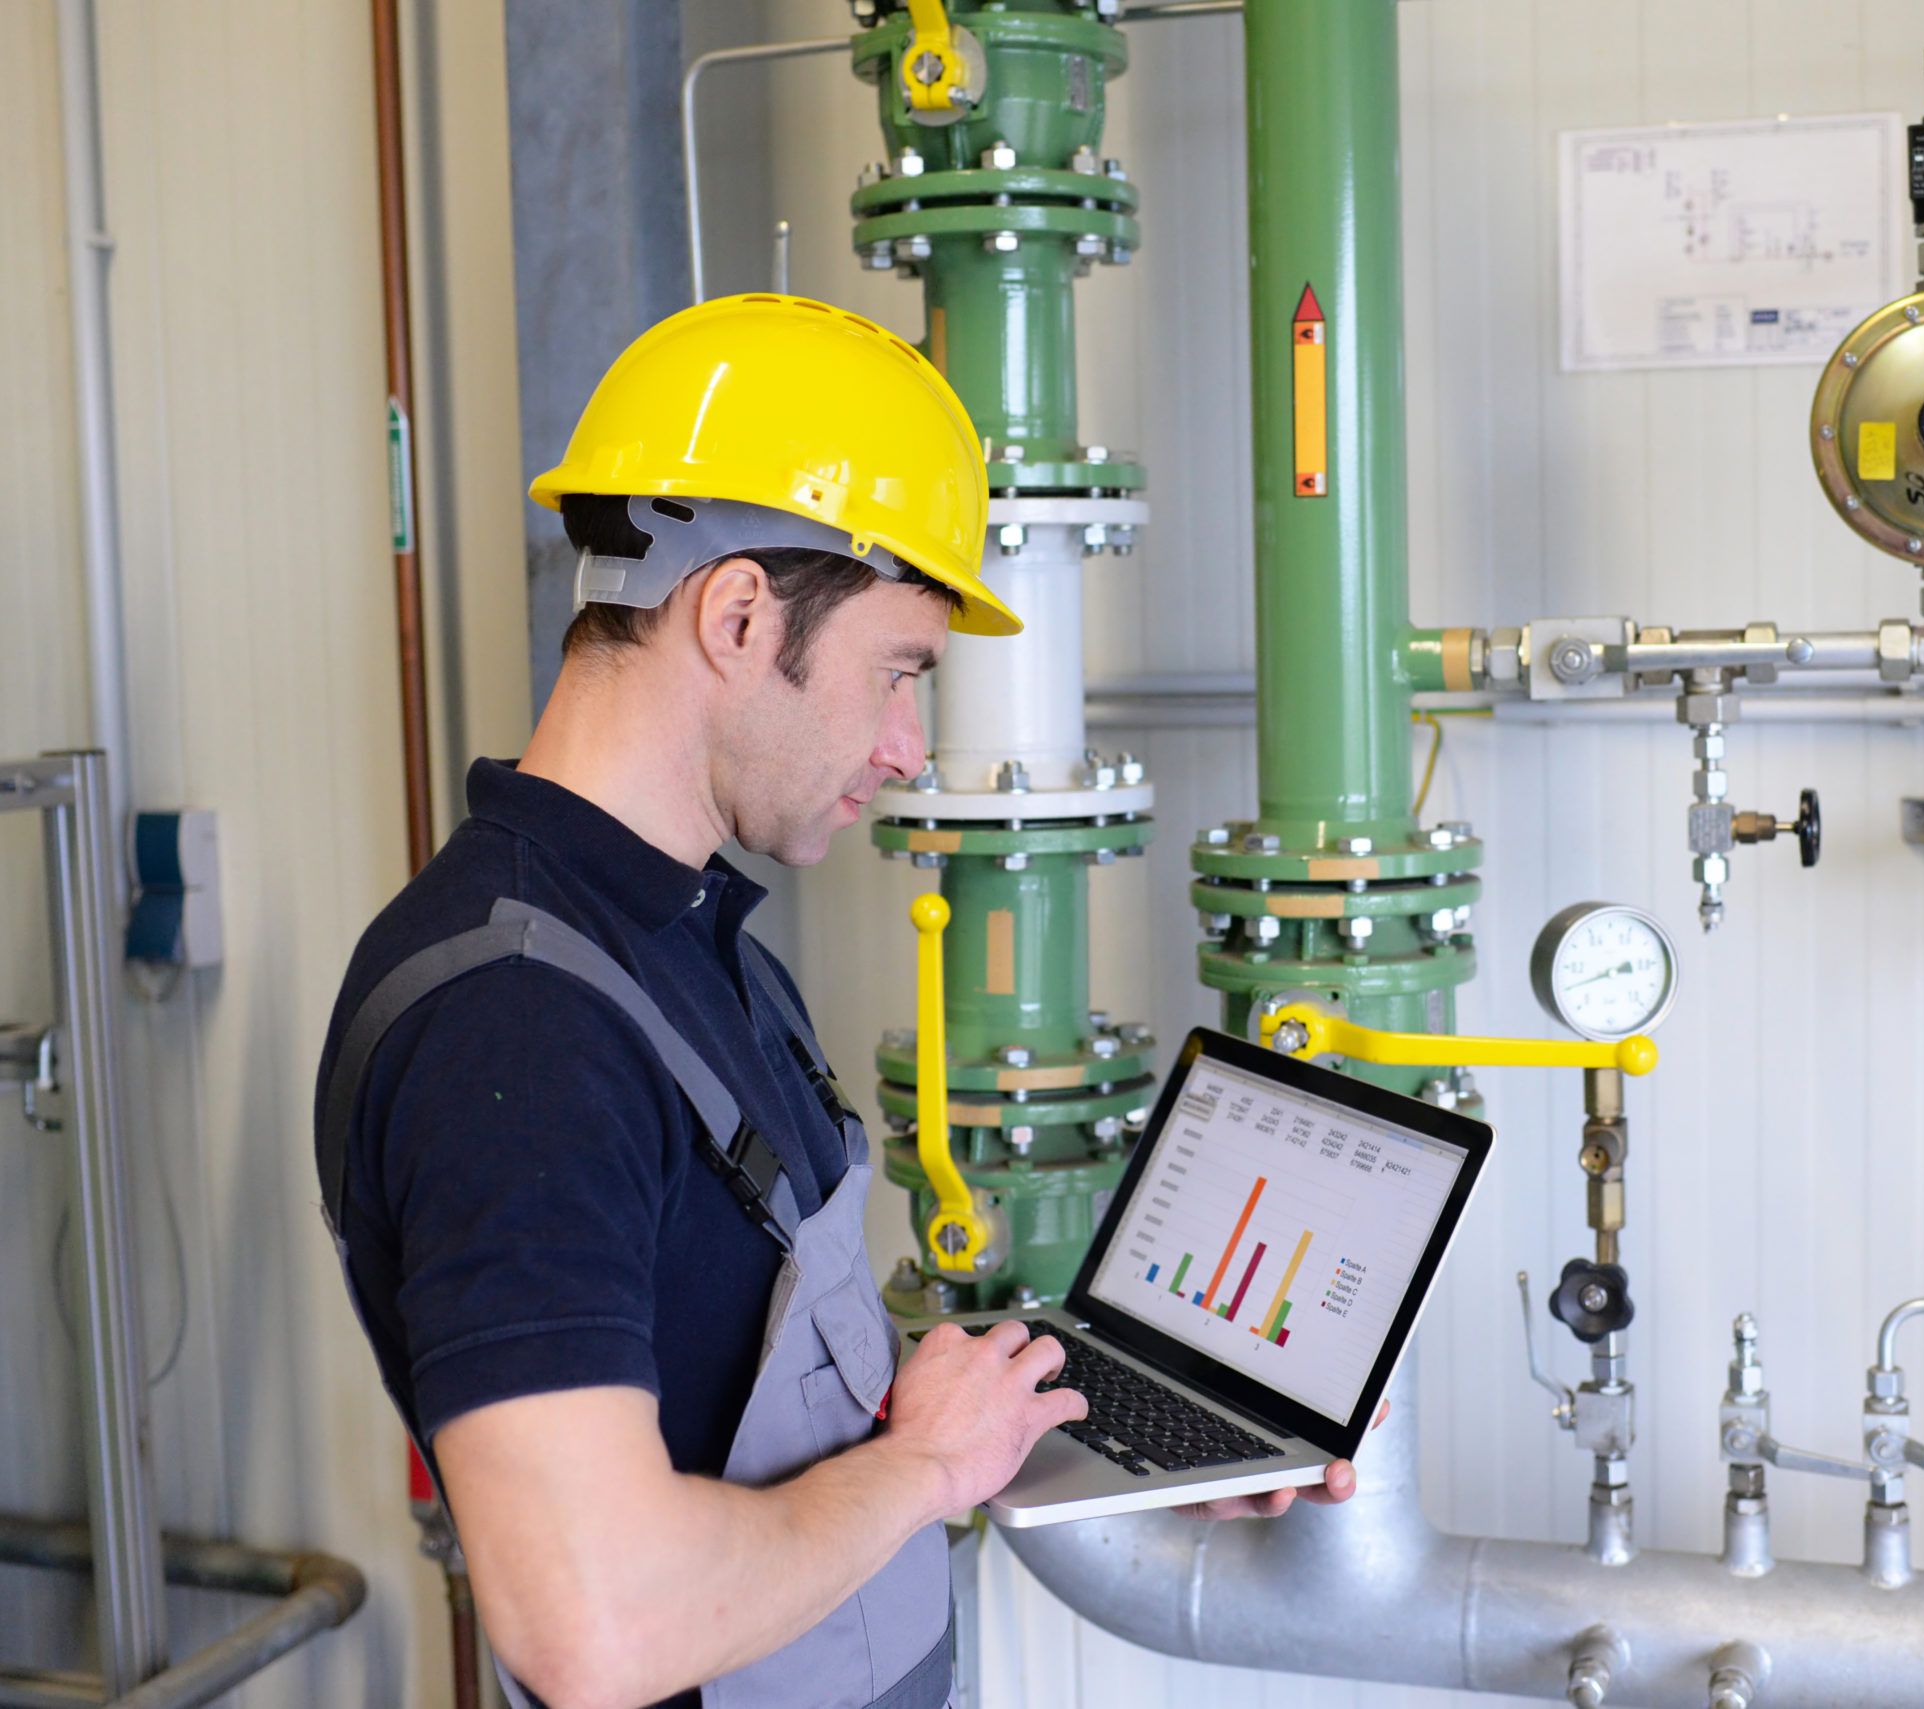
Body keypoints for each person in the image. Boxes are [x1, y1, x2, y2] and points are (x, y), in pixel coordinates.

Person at [312, 296, 1356, 1709]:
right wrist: (928, 1464)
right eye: (899, 673)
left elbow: (757, 1391)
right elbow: (591, 1624)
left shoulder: (692, 936)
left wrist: (1090, 1438)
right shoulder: (513, 1025)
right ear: (737, 614)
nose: (907, 746)